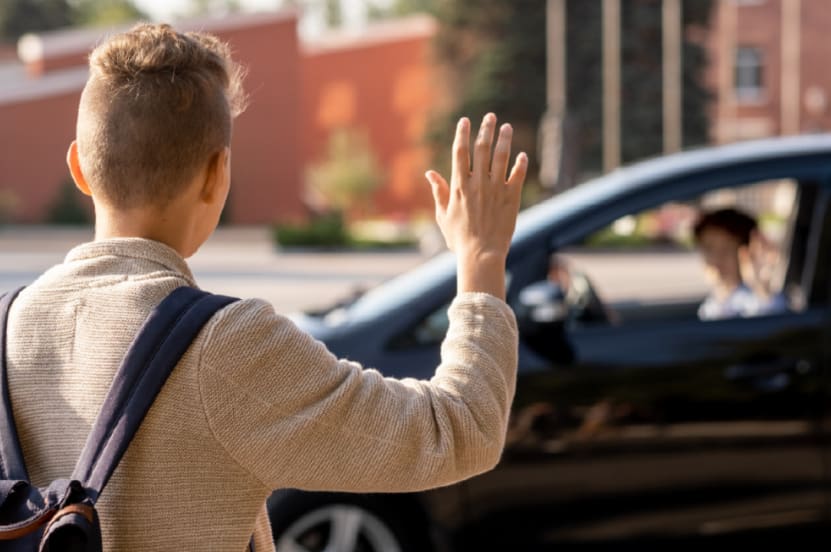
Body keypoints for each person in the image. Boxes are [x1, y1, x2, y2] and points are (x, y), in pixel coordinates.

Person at [4, 24, 527, 550]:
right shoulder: (226, 347)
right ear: (218, 175)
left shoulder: (7, 328)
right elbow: (460, 430)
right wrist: (481, 258)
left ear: (79, 167)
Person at [693, 207, 787, 320]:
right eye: (709, 248)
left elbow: (774, 322)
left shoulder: (754, 301)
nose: (717, 258)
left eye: (727, 248)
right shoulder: (711, 305)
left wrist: (762, 288)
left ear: (748, 252)